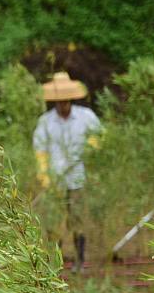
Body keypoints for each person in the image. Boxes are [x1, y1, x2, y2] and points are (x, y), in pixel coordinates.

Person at [33, 72, 102, 273]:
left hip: (76, 177)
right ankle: (55, 263)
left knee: (77, 219)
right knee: (54, 222)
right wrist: (44, 174)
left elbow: (99, 135)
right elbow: (40, 150)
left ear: (70, 98)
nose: (63, 104)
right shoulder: (45, 121)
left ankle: (79, 262)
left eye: (65, 100)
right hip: (55, 179)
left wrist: (92, 146)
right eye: (59, 101)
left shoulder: (85, 116)